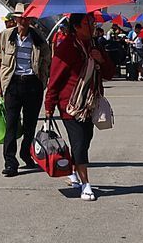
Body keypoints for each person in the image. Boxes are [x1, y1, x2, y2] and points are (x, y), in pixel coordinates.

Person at [44, 12, 115, 201]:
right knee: (80, 142)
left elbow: (109, 73)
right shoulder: (66, 48)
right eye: (88, 23)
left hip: (89, 103)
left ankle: (74, 171)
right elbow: (55, 80)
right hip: (70, 105)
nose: (92, 25)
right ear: (76, 27)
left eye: (92, 22)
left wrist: (100, 59)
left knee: (86, 139)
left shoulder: (95, 45)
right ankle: (86, 184)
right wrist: (49, 106)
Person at [0, 5, 52, 177]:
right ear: (17, 19)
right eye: (22, 18)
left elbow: (47, 59)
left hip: (32, 84)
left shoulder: (38, 38)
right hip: (12, 84)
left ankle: (26, 153)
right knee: (11, 125)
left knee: (30, 124)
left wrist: (43, 79)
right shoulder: (5, 36)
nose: (24, 21)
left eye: (28, 18)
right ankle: (10, 162)